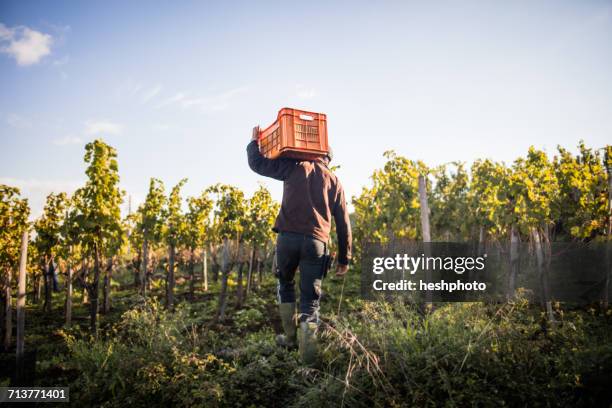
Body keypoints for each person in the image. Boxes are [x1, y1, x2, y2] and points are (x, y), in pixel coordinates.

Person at [246, 126, 352, 365]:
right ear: (328, 159)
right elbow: (343, 222)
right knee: (310, 300)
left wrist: (254, 142)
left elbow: (258, 165)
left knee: (285, 283)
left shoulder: (294, 167)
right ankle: (308, 357)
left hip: (288, 239)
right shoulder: (334, 181)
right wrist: (344, 259)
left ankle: (290, 337)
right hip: (316, 243)